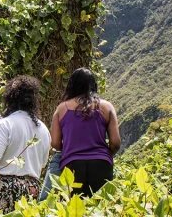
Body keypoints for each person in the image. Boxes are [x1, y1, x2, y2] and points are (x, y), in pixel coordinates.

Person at [0, 75, 50, 213]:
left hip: (4, 188)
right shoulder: (43, 128)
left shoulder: (5, 124)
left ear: (9, 98)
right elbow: (43, 163)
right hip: (32, 187)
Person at [50, 67, 121, 197]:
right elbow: (115, 143)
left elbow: (55, 143)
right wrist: (104, 155)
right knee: (100, 208)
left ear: (71, 86)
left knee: (75, 209)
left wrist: (69, 148)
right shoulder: (107, 107)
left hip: (72, 165)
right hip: (102, 164)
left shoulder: (61, 109)